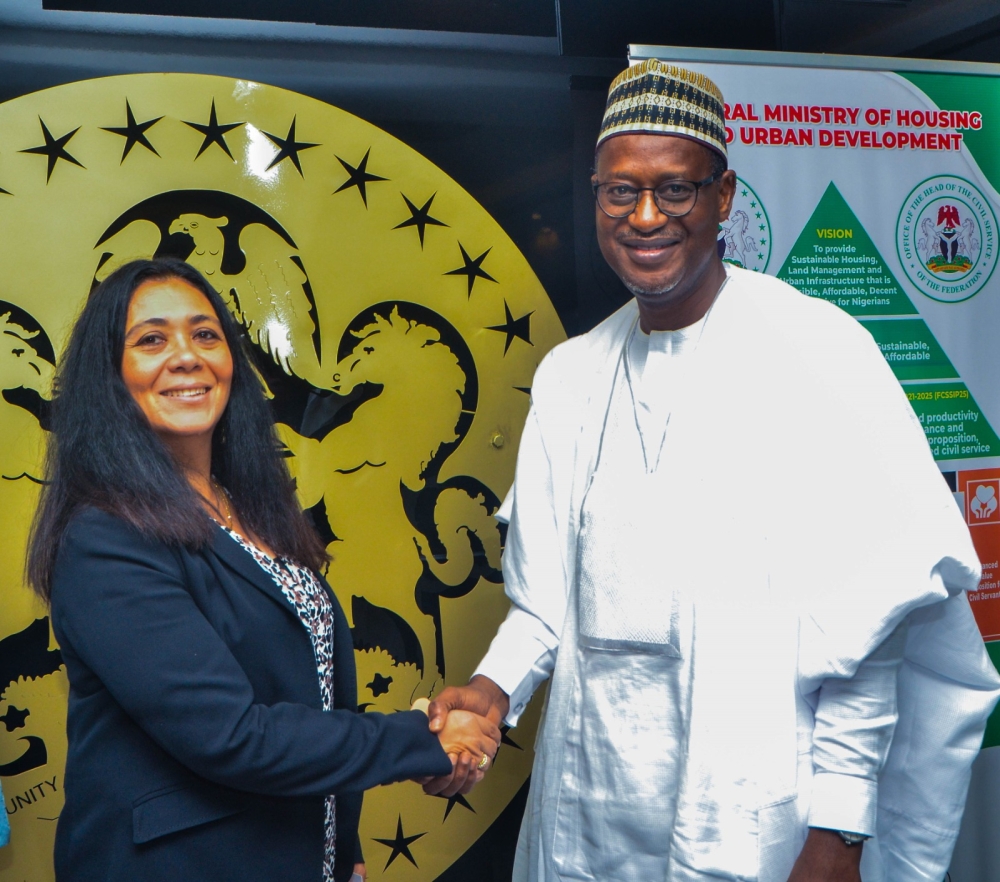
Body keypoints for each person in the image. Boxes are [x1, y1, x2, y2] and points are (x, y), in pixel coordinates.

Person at [424, 61, 1000, 882]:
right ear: (596, 197)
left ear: (724, 196)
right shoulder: (568, 376)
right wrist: (490, 692)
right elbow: (545, 606)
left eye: (676, 190)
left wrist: (840, 832)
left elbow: (869, 636)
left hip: (748, 815)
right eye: (620, 191)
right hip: (586, 810)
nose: (646, 216)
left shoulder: (820, 353)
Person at [27, 257, 500, 882]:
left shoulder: (247, 507)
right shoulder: (104, 536)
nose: (187, 356)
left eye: (205, 334)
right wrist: (424, 740)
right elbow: (231, 735)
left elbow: (312, 690)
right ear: (109, 376)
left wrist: (342, 845)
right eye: (150, 340)